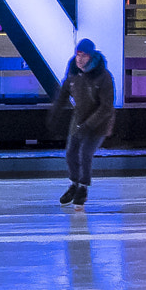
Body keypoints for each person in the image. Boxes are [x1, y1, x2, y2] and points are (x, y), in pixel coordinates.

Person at [52, 37, 116, 207]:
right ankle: (74, 184)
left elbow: (107, 106)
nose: (79, 59)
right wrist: (55, 112)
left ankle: (83, 188)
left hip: (99, 121)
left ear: (91, 56)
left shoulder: (103, 76)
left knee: (85, 153)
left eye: (84, 55)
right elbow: (65, 90)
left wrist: (90, 125)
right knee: (71, 152)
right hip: (79, 118)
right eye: (77, 54)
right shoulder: (74, 71)